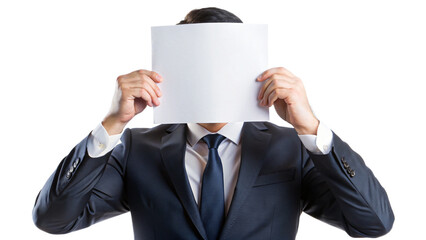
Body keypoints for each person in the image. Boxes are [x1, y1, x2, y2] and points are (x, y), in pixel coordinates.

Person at [32, 7, 394, 240]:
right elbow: (54, 220)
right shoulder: (136, 150)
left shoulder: (292, 150)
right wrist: (111, 124)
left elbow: (374, 223)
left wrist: (312, 129)